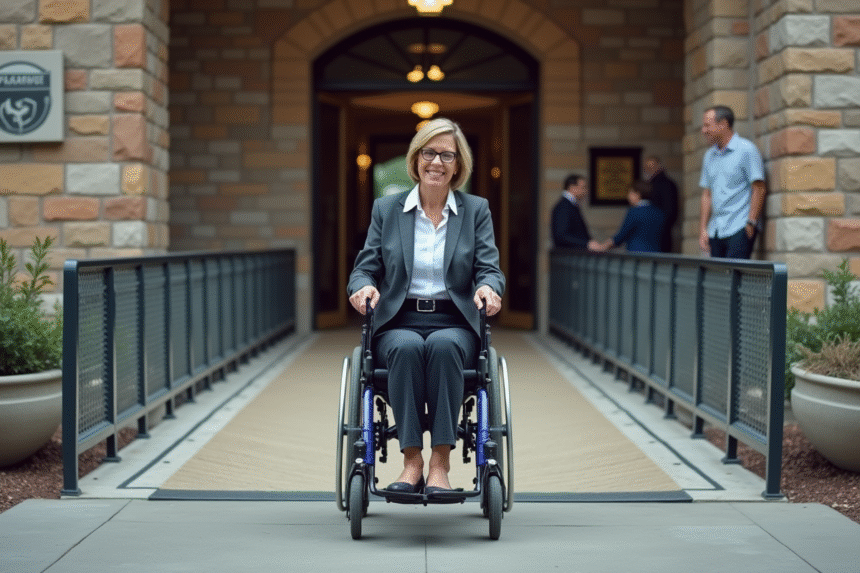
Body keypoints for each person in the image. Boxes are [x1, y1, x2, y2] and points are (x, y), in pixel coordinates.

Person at [347, 118, 505, 496]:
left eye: (446, 155)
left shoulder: (475, 209)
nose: (437, 162)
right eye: (429, 153)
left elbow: (489, 268)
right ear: (416, 159)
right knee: (404, 348)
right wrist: (363, 286)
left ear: (458, 163)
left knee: (444, 346)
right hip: (399, 319)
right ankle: (412, 462)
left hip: (454, 321)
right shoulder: (388, 209)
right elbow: (365, 266)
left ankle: (440, 464)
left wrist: (488, 288)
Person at [699, 105, 766, 259]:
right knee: (718, 279)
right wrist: (703, 229)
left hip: (739, 227)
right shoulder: (709, 156)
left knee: (734, 278)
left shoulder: (747, 150)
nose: (704, 130)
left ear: (723, 124)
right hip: (716, 229)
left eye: (707, 125)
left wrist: (751, 223)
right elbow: (707, 194)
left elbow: (759, 188)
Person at [588, 180, 664, 253]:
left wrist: (603, 247)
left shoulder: (635, 211)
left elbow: (622, 235)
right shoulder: (658, 212)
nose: (628, 196)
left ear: (637, 194)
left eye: (630, 192)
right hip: (656, 255)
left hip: (637, 256)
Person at [643, 156, 678, 253]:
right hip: (653, 232)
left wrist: (658, 226)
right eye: (646, 167)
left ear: (659, 167)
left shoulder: (665, 184)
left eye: (651, 167)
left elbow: (670, 210)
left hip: (660, 233)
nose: (648, 170)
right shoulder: (650, 184)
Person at [551, 174, 591, 249]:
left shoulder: (570, 205)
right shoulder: (563, 207)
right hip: (569, 256)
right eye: (583, 188)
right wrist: (587, 244)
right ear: (572, 187)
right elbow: (561, 236)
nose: (586, 191)